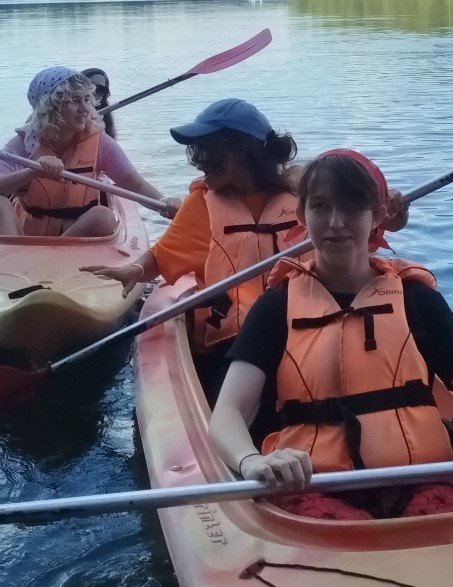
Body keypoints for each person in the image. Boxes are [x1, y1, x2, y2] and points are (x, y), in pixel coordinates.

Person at [207, 150, 453, 520]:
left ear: (375, 216)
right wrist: (250, 461)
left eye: (351, 207)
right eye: (321, 206)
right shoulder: (276, 306)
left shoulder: (415, 299)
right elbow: (228, 412)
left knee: (445, 525)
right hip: (315, 487)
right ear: (302, 216)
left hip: (421, 480)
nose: (335, 222)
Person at [84, 97, 306, 395]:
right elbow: (163, 257)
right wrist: (135, 270)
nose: (198, 160)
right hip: (230, 345)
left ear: (240, 148)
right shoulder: (202, 204)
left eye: (206, 149)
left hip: (299, 334)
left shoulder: (301, 199)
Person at [0, 67, 168, 239]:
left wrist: (165, 203)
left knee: (103, 217)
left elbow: (136, 184)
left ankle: (51, 256)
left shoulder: (99, 141)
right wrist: (33, 171)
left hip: (75, 237)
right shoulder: (24, 143)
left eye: (87, 100)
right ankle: (25, 259)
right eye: (75, 101)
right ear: (51, 107)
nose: (85, 109)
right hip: (27, 237)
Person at [82, 66, 117, 137]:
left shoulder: (104, 126)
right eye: (89, 87)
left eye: (100, 89)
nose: (93, 93)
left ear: (104, 96)